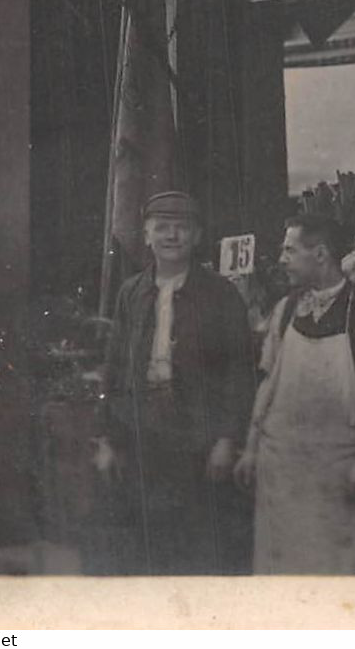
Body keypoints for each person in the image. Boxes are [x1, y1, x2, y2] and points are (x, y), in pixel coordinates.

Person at [233, 213, 355, 574]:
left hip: (338, 477)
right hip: (280, 475)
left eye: (290, 251)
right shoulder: (286, 311)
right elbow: (267, 383)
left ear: (321, 254)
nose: (281, 260)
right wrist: (250, 447)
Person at [96, 191, 257, 574]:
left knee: (196, 542)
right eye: (162, 228)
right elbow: (115, 367)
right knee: (142, 543)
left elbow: (239, 371)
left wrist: (225, 439)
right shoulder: (131, 293)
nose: (172, 236)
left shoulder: (220, 294)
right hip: (139, 434)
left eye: (181, 228)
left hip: (196, 439)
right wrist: (106, 438)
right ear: (146, 235)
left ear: (197, 236)